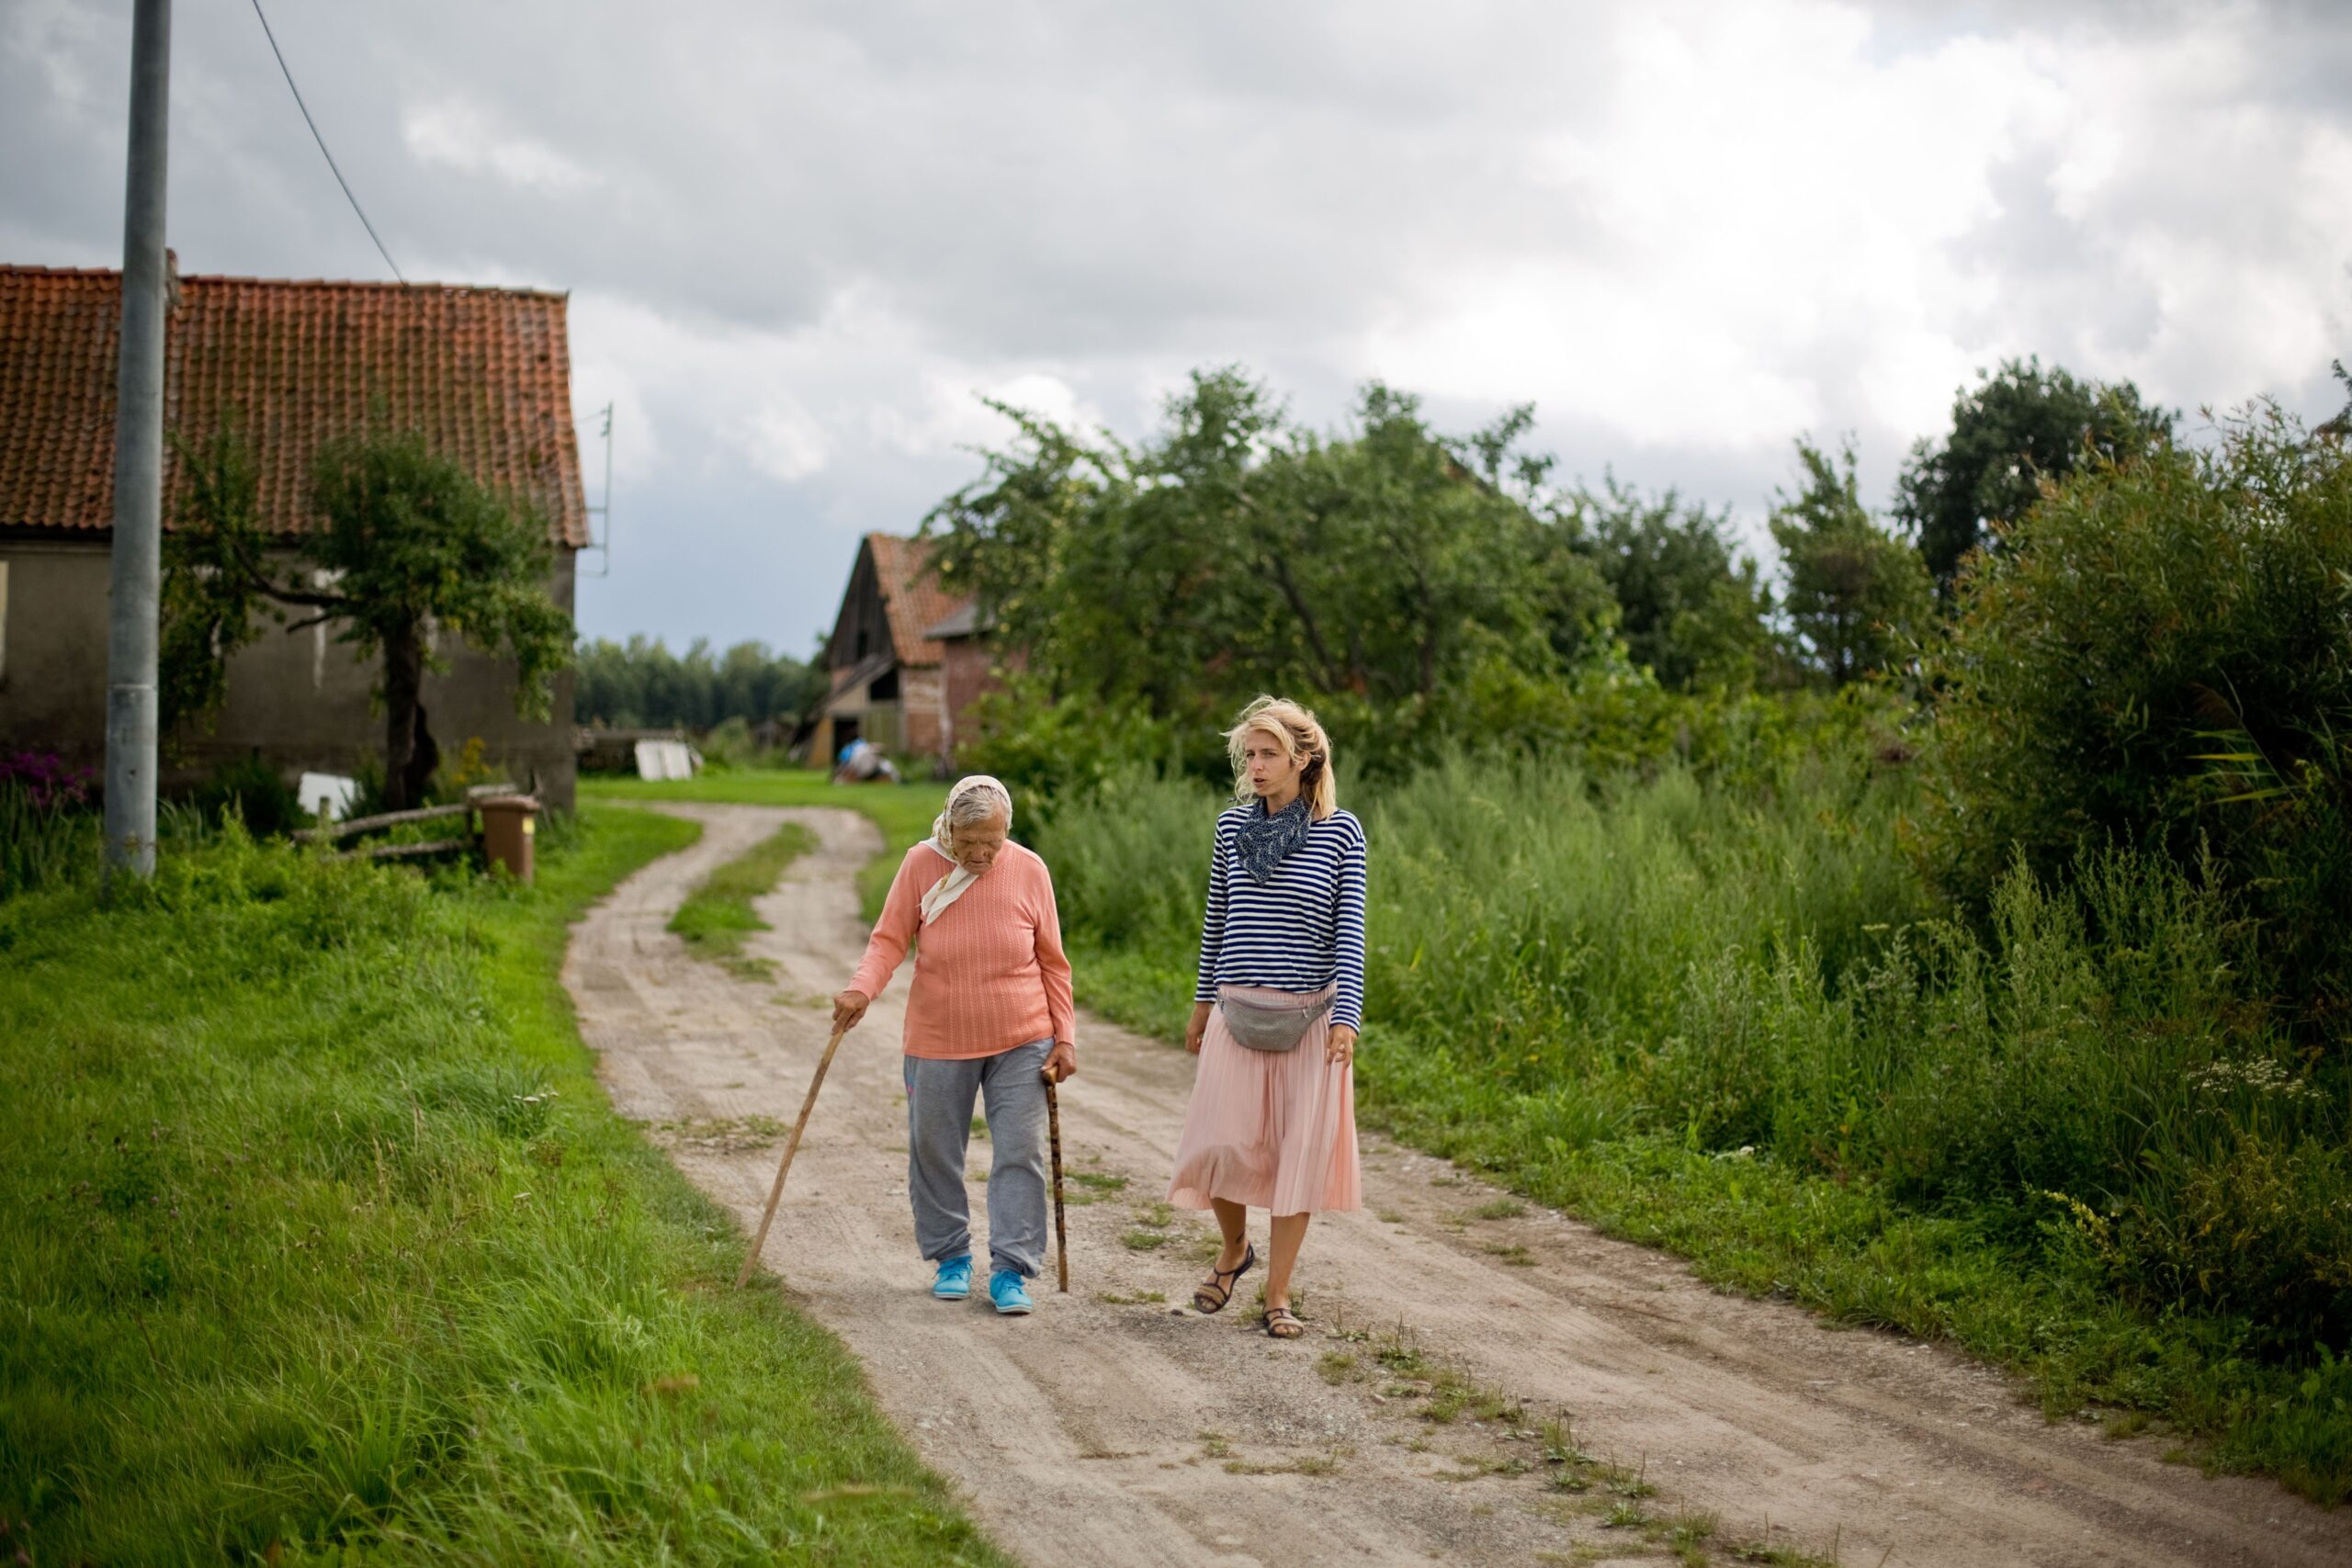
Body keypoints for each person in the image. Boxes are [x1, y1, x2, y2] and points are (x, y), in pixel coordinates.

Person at [834, 775, 1077, 1315]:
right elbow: (889, 940)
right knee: (935, 1149)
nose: (981, 854)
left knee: (1020, 1149)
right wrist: (860, 990)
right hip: (939, 1036)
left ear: (1006, 829)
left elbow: (1053, 963)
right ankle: (951, 1258)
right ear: (949, 828)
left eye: (992, 842)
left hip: (1023, 1038)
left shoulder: (1029, 869)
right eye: (969, 844)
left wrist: (1065, 1037)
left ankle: (1012, 1269)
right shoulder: (921, 864)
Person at [1167, 696, 1365, 1338]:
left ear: (1304, 759)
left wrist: (1348, 1019)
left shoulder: (1342, 832)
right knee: (1216, 1145)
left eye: (1268, 753)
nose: (1255, 765)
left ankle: (1276, 1294)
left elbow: (1349, 933)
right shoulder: (1231, 829)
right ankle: (1234, 1249)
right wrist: (1201, 1005)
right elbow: (1216, 923)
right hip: (1235, 1011)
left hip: (1310, 1020)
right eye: (1249, 754)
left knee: (1294, 1160)